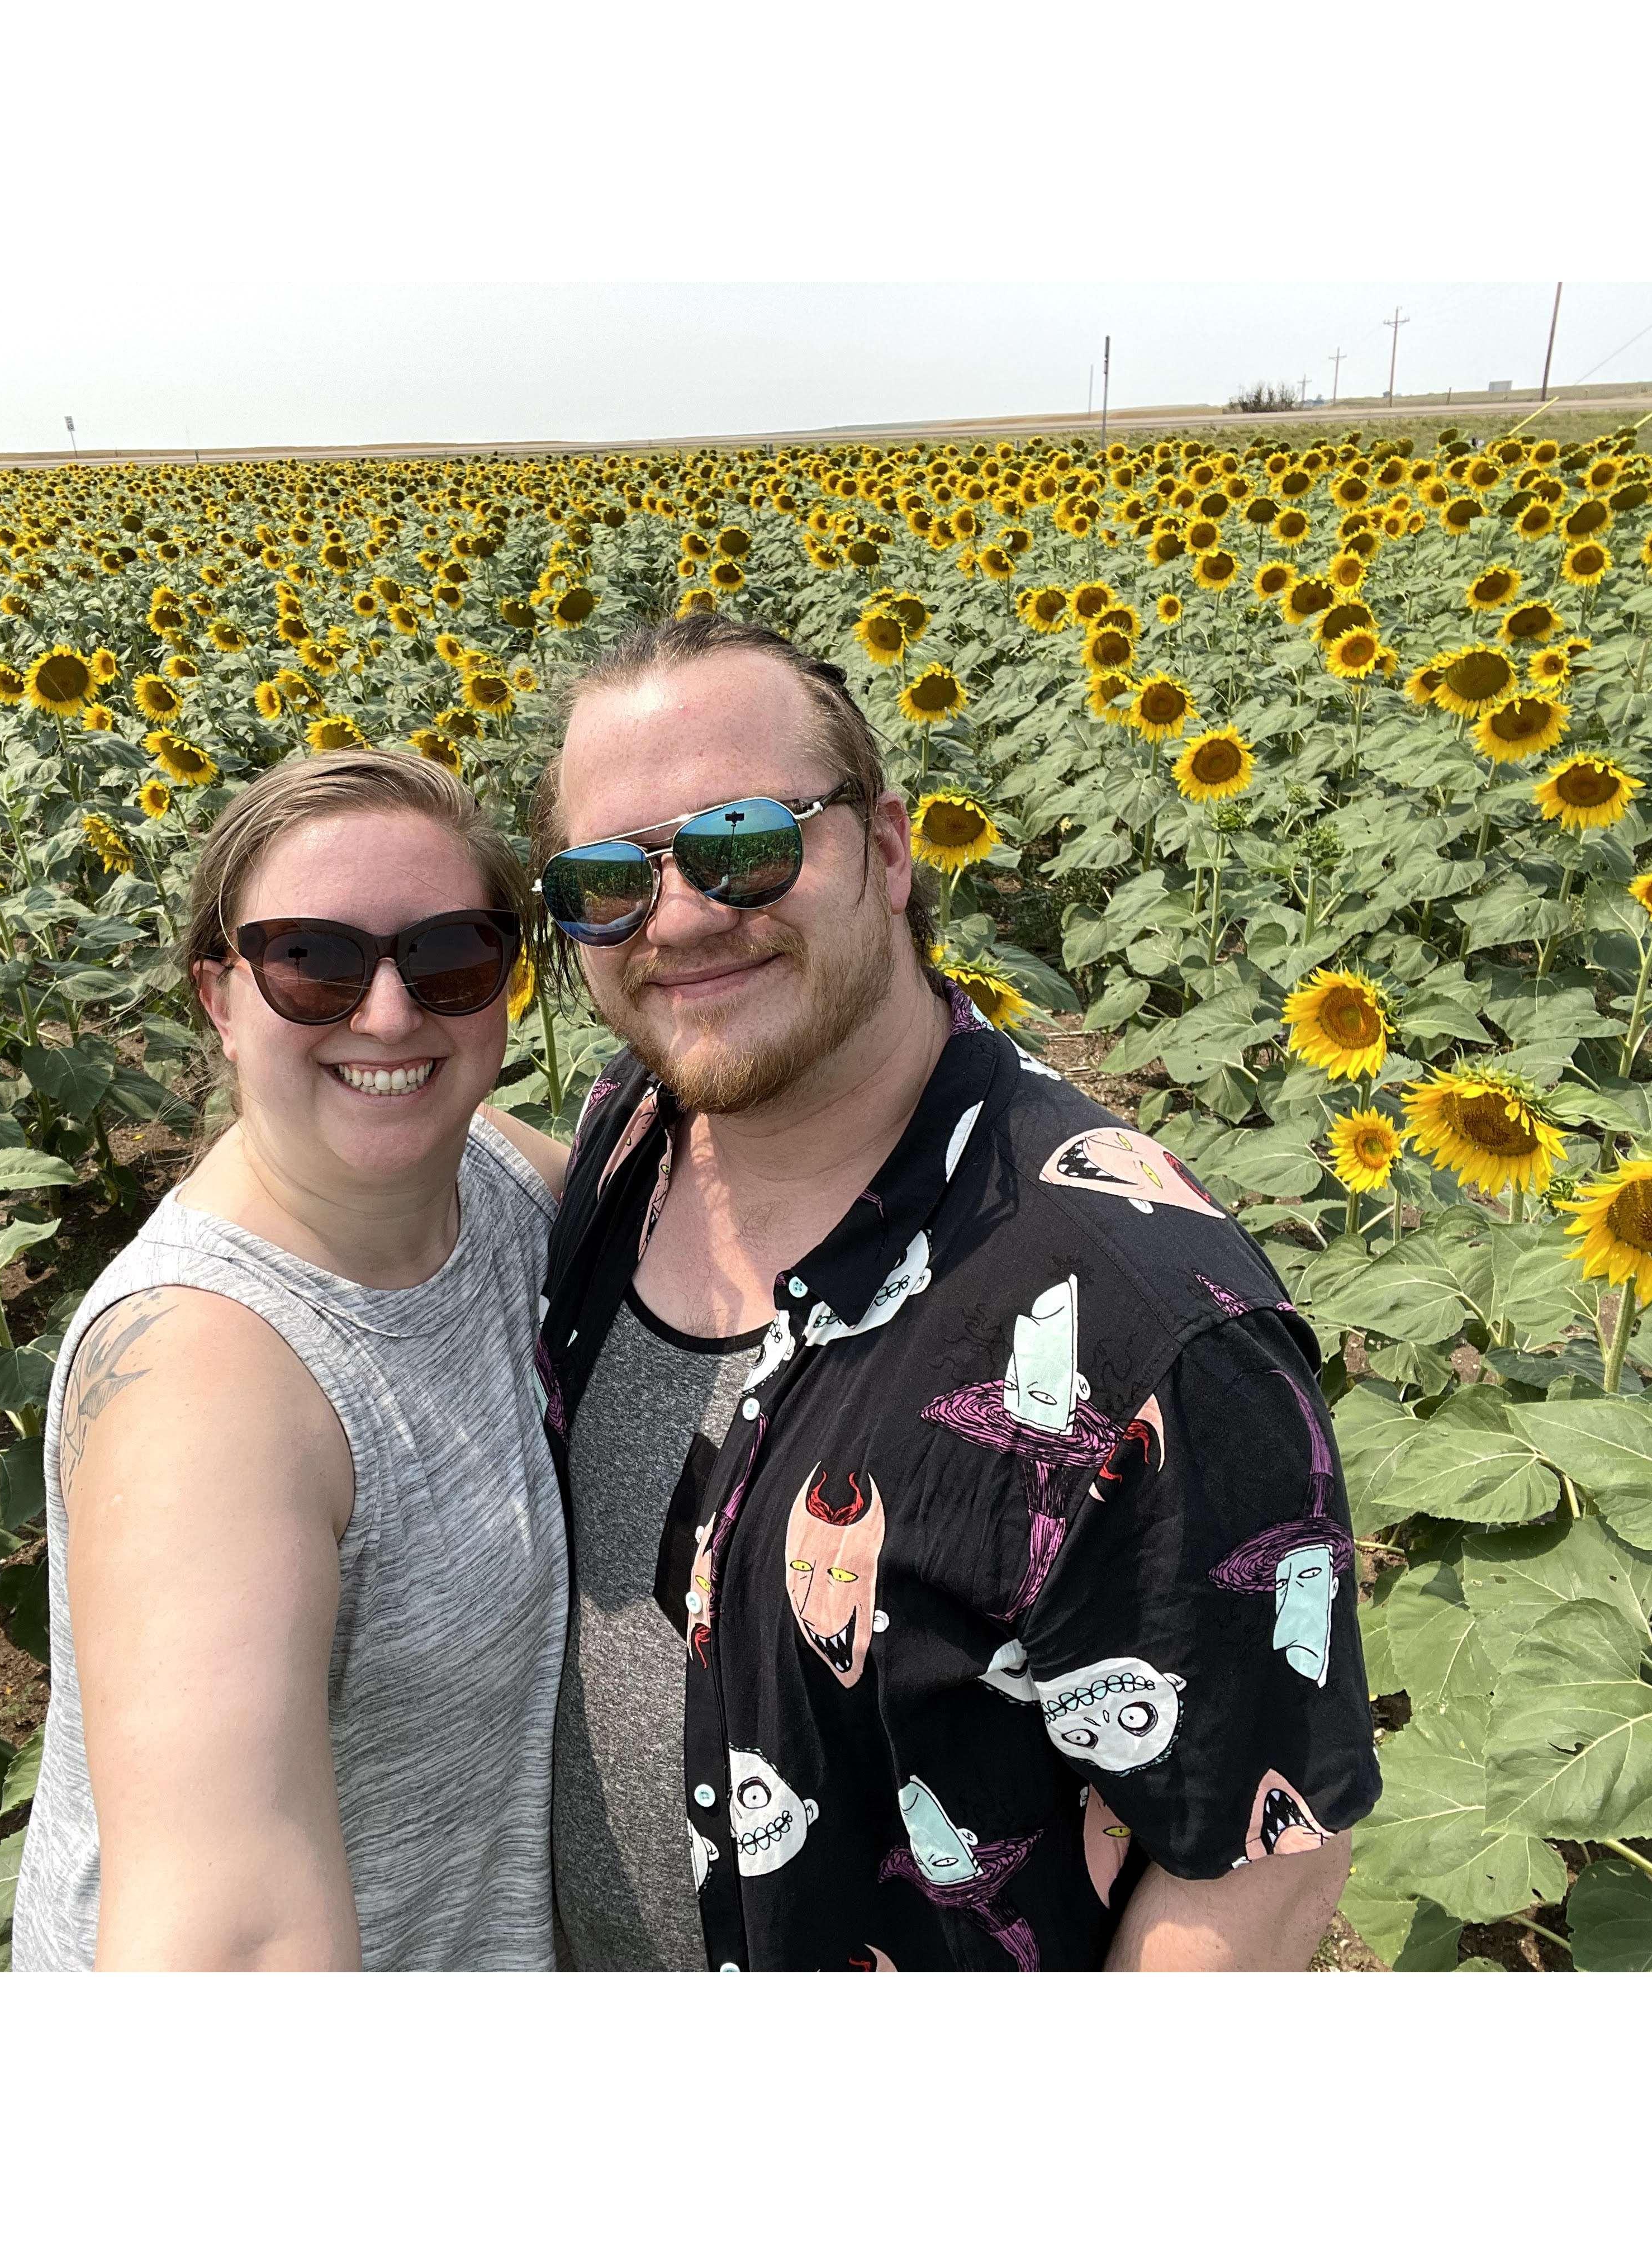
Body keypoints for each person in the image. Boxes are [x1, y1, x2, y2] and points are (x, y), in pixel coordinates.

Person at [528, 613, 1380, 1973]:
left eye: (745, 846)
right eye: (604, 881)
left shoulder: (1144, 1328)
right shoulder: (630, 1131)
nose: (680, 919)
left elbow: (1253, 1854)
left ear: (884, 848)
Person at [12, 750, 571, 1971]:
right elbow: (231, 1932)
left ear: (507, 988)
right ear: (220, 996)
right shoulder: (204, 1382)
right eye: (310, 962)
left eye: (450, 956)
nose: (387, 1014)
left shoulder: (501, 1182)